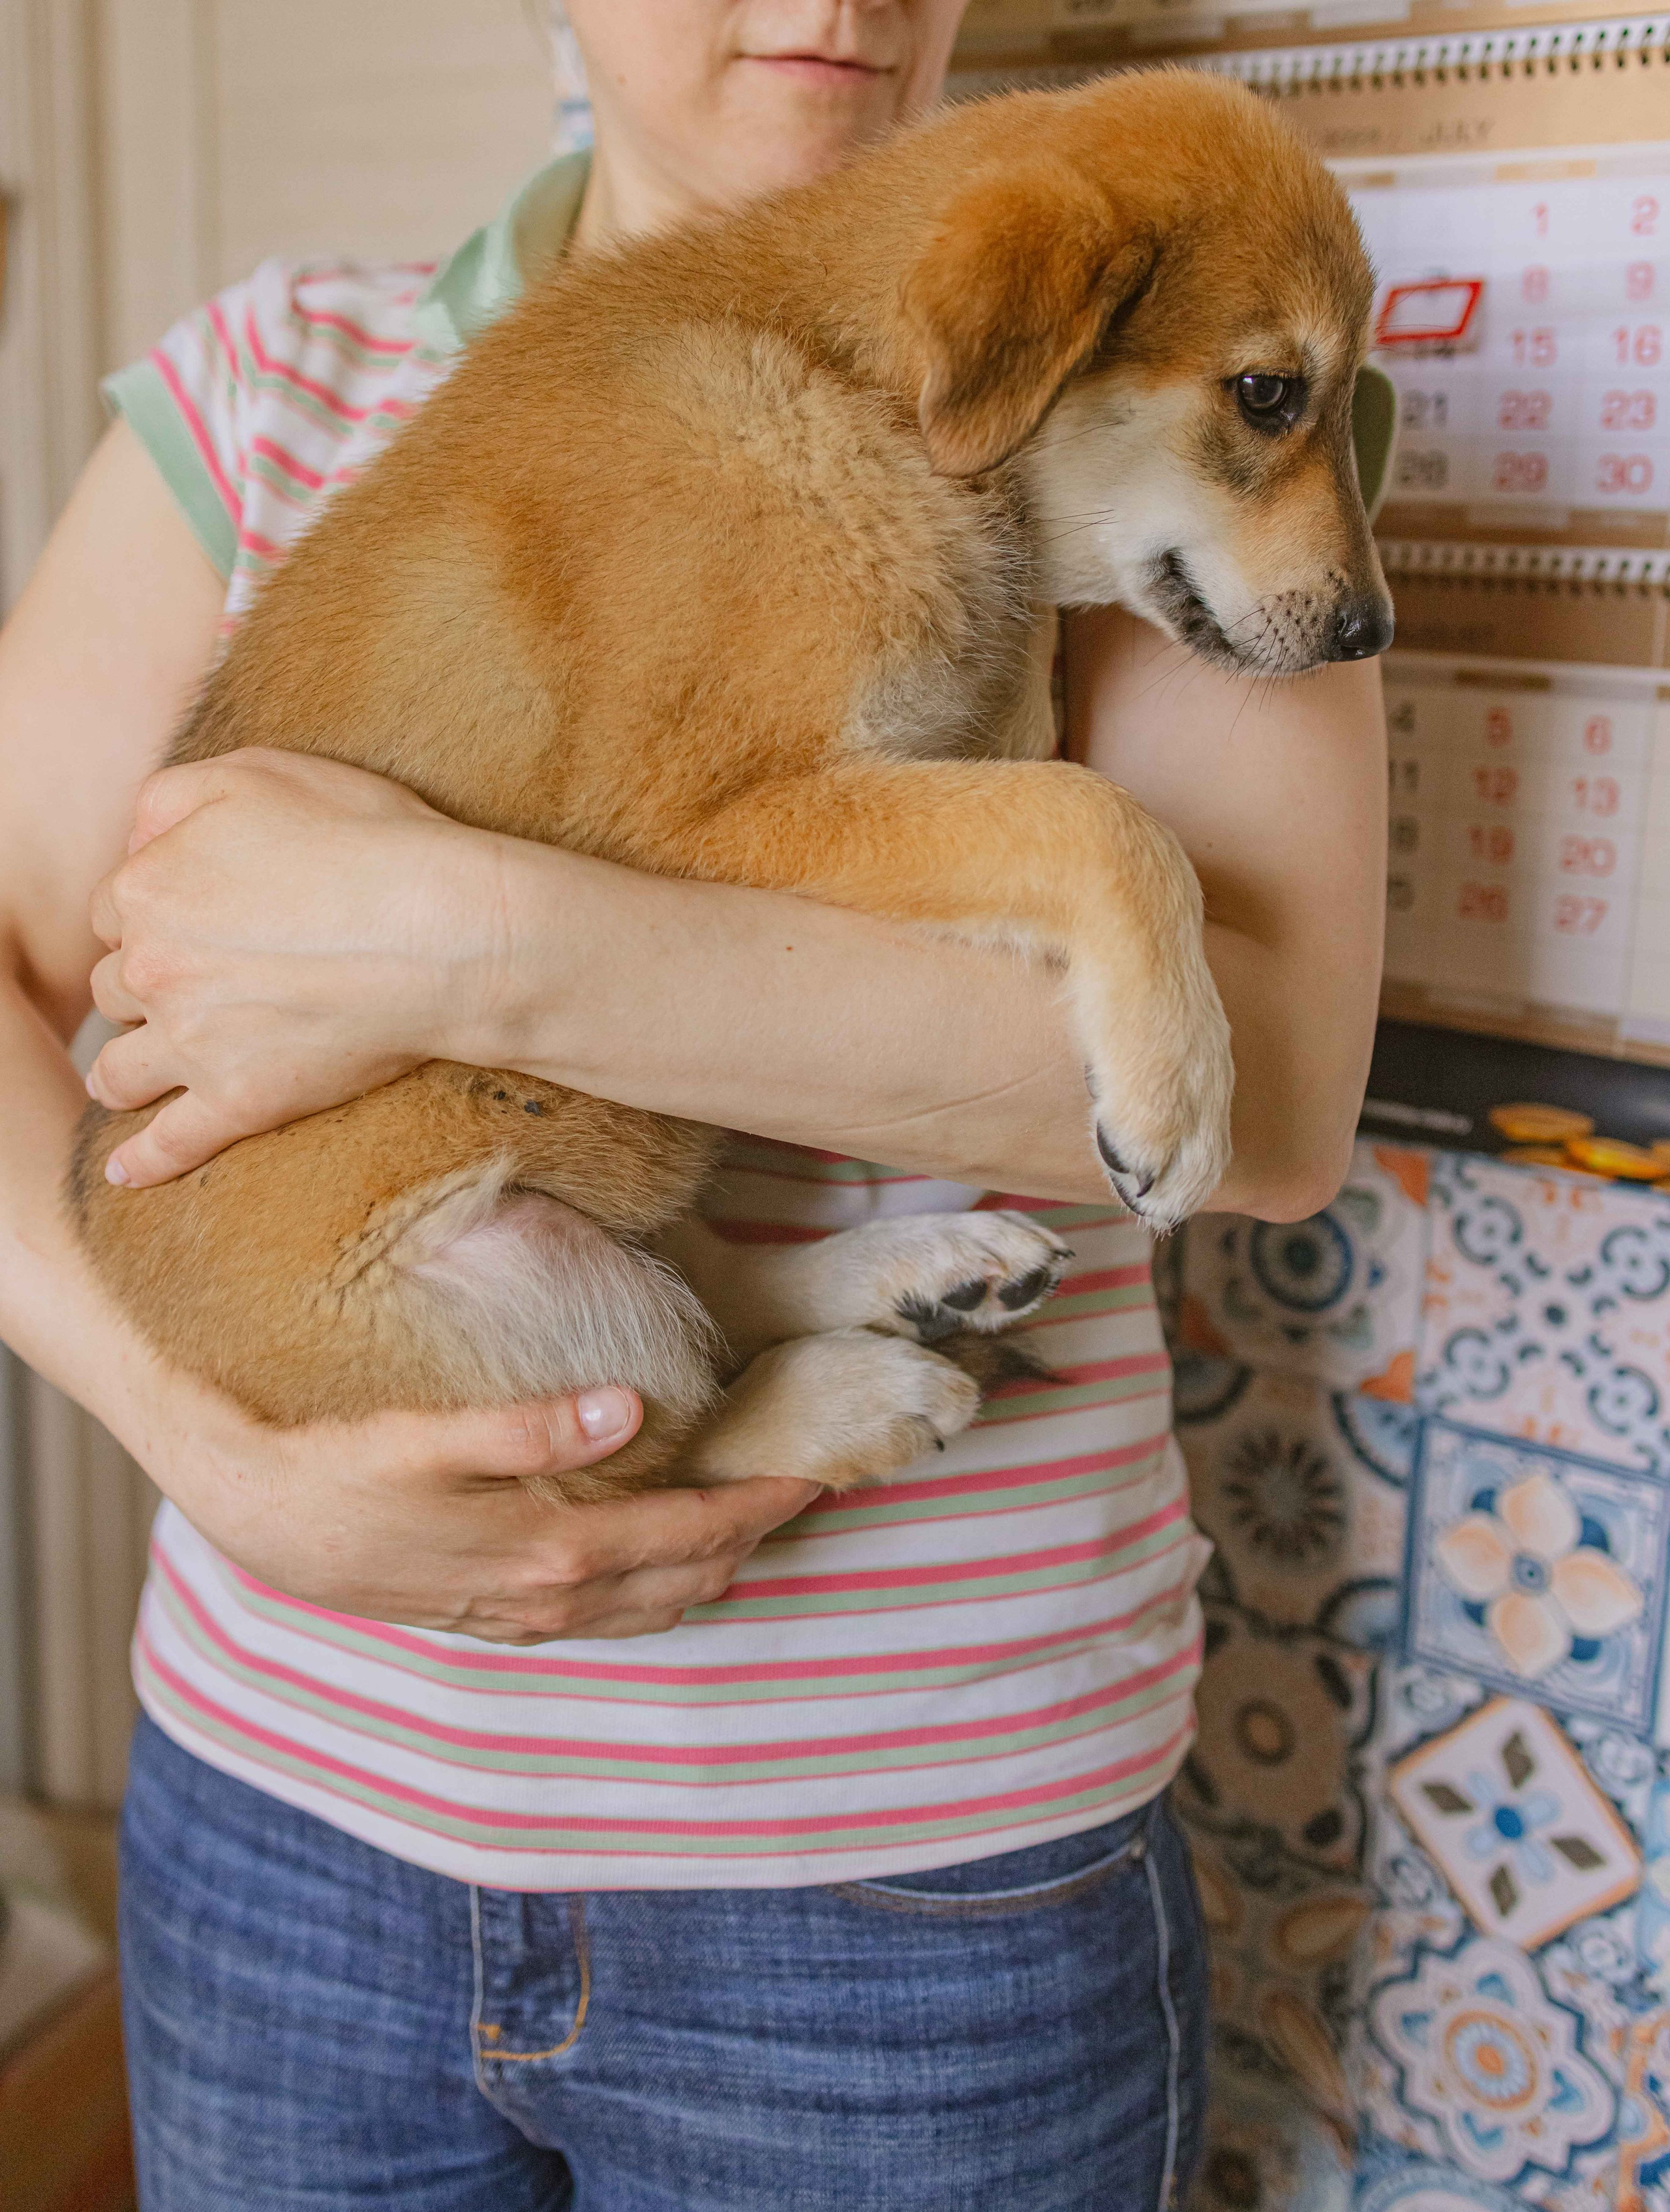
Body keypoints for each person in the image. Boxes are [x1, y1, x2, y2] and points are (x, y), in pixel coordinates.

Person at [0, 3, 1389, 2205]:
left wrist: (461, 942)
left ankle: (735, 1345)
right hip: (287, 1816)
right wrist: (206, 1444)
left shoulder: (1132, 390)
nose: (835, 5)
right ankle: (729, 1349)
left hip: (917, 1878)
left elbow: (1273, 1094)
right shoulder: (279, 374)